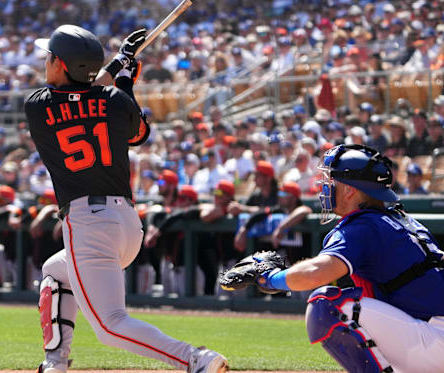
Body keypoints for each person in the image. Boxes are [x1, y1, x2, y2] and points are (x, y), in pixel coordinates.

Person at [25, 25, 227, 373]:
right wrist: (124, 77)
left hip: (88, 224)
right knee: (55, 273)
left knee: (110, 325)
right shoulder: (115, 100)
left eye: (50, 57)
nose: (46, 62)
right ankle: (55, 363)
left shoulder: (37, 106)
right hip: (127, 225)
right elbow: (135, 131)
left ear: (60, 64)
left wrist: (118, 67)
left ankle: (194, 358)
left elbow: (80, 96)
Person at [248, 144, 444, 372]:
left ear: (350, 190)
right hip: (431, 332)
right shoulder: (400, 220)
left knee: (328, 305)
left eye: (332, 180)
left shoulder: (363, 224)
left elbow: (316, 274)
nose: (325, 186)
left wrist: (270, 278)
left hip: (433, 338)